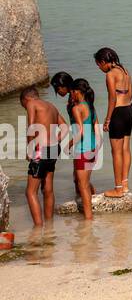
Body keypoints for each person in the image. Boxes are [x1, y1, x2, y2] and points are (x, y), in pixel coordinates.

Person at [94, 47, 132, 199]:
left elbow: (112, 98)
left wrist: (108, 119)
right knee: (126, 148)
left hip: (118, 113)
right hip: (130, 109)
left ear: (104, 62)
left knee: (116, 152)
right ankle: (125, 185)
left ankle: (118, 189)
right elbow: (131, 93)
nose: (100, 68)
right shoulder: (125, 71)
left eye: (99, 65)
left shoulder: (110, 74)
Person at [21, 86, 63, 227]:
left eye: (23, 105)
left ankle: (38, 228)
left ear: (26, 99)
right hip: (53, 148)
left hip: (41, 149)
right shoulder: (51, 106)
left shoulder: (32, 104)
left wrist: (30, 149)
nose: (25, 108)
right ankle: (49, 225)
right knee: (47, 189)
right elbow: (65, 127)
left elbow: (31, 127)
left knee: (30, 192)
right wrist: (56, 140)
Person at [68, 79, 98, 219]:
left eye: (72, 91)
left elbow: (80, 132)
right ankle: (91, 210)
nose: (70, 94)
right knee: (85, 183)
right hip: (92, 148)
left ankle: (88, 218)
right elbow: (96, 130)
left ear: (77, 91)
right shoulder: (91, 106)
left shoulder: (76, 108)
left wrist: (68, 146)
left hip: (82, 150)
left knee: (83, 186)